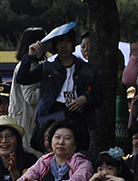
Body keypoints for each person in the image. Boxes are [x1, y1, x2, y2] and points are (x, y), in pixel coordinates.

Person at [15, 23, 100, 153]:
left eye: (67, 41)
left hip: (77, 115)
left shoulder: (87, 69)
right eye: (59, 42)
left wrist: (85, 98)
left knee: (78, 154)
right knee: (53, 154)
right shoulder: (47, 67)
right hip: (52, 114)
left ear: (73, 43)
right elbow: (22, 78)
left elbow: (100, 97)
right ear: (54, 45)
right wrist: (30, 56)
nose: (63, 45)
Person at [9, 27, 46, 154]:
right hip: (27, 121)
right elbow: (30, 96)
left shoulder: (32, 64)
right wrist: (51, 88)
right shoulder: (28, 66)